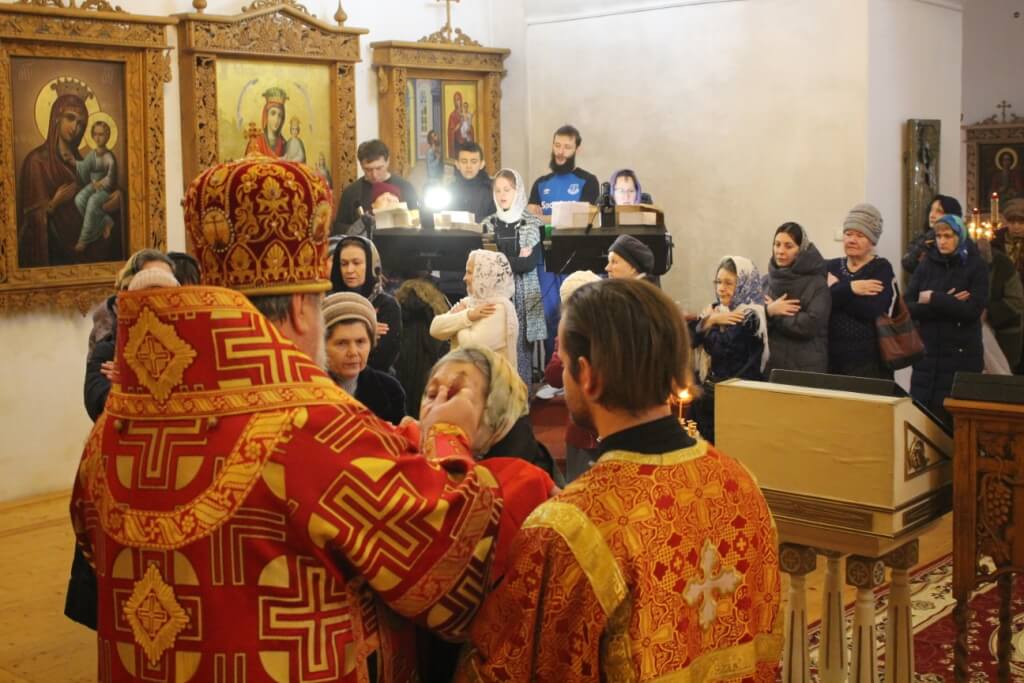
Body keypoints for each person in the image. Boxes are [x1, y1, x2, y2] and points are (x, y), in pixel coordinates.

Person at [70, 155, 555, 682]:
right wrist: (447, 437)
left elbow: (95, 551)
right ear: (305, 308)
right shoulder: (318, 424)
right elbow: (453, 569)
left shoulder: (119, 420)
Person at [456, 278, 782, 681]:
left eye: (565, 362)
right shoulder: (741, 484)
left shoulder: (572, 530)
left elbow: (505, 667)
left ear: (588, 375)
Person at [18, 79, 119, 266]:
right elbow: (29, 220)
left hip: (87, 252)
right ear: (56, 118)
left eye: (81, 123)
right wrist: (53, 204)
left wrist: (117, 198)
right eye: (70, 118)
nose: (75, 128)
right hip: (54, 255)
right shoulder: (36, 161)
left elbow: (98, 195)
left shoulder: (83, 163)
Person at [423, 346, 560, 480]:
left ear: (497, 405)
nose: (436, 408)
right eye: (432, 394)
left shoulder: (531, 482)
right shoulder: (415, 461)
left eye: (453, 395)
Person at [907, 214, 989, 424]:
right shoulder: (926, 264)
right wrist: (949, 302)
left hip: (961, 356)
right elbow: (908, 306)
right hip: (928, 356)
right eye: (938, 236)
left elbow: (972, 311)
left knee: (956, 424)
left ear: (960, 236)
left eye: (948, 236)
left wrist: (934, 298)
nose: (942, 241)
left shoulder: (976, 266)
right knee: (922, 421)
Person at [527, 125, 601, 357]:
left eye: (567, 147)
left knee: (575, 315)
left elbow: (585, 218)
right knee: (550, 316)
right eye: (557, 145)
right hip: (545, 261)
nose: (560, 152)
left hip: (576, 259)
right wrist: (563, 215)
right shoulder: (541, 183)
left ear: (577, 149)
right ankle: (554, 368)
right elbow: (530, 219)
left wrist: (547, 217)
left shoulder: (588, 181)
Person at [690, 255, 769, 443]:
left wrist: (709, 323)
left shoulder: (750, 316)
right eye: (718, 282)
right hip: (713, 392)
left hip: (739, 397)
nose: (721, 288)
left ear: (743, 284)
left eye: (728, 283)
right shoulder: (717, 310)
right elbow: (690, 339)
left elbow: (721, 348)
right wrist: (711, 320)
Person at [481, 168, 546, 385]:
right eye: (498, 190)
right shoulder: (487, 223)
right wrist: (513, 259)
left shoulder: (532, 223)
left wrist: (498, 259)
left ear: (517, 191)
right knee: (494, 355)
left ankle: (522, 400)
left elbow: (527, 264)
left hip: (524, 296)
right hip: (494, 296)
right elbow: (484, 264)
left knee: (521, 356)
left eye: (507, 189)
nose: (502, 195)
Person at [543, 270, 602, 481]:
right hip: (581, 433)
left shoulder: (613, 336)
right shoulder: (566, 333)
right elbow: (553, 376)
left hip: (609, 428)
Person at [826, 203, 895, 378]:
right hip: (831, 360)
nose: (851, 240)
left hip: (870, 362)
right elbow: (823, 302)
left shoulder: (881, 268)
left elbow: (870, 309)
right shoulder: (831, 266)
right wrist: (851, 288)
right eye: (848, 234)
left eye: (860, 235)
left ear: (872, 241)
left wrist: (836, 289)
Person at [323, 292, 406, 425]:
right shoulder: (305, 392)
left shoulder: (390, 390)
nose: (353, 352)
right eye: (342, 343)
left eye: (360, 342)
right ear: (323, 345)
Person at [430, 249, 519, 369]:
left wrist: (454, 325)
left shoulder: (499, 308)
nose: (464, 278)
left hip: (491, 380)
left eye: (469, 272)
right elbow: (435, 328)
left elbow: (470, 348)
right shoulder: (469, 303)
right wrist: (468, 316)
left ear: (485, 275)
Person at [764, 222, 831, 374]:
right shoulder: (765, 282)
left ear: (800, 249)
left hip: (806, 368)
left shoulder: (817, 284)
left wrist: (777, 315)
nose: (780, 251)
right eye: (777, 244)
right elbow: (754, 323)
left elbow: (810, 325)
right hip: (771, 367)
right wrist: (769, 311)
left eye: (788, 246)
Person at [329, 235, 402, 372]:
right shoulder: (328, 303)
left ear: (371, 266)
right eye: (344, 264)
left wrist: (337, 335)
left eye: (356, 263)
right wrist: (367, 332)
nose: (349, 270)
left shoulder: (387, 305)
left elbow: (382, 359)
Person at [331, 139, 418, 233]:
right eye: (368, 170)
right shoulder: (351, 193)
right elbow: (339, 229)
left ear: (388, 161)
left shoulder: (405, 188)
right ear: (361, 165)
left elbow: (417, 223)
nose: (374, 175)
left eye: (379, 168)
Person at [394, 277, 451, 415]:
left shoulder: (396, 312)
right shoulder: (437, 316)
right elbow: (441, 349)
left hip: (399, 376)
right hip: (429, 377)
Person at [73, 120, 117, 252]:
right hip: (93, 186)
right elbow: (84, 167)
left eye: (101, 134)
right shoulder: (92, 154)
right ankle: (105, 221)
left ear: (107, 136)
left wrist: (100, 183)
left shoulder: (109, 157)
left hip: (104, 190)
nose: (98, 138)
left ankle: (84, 239)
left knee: (92, 201)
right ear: (92, 136)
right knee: (79, 199)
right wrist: (73, 162)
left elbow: (110, 178)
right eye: (95, 134)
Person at [902, 194, 962, 274]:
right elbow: (907, 262)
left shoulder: (960, 243)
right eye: (931, 210)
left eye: (939, 211)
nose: (932, 215)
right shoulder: (925, 237)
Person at [450, 141, 496, 221]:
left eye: (474, 162)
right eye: (464, 161)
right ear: (457, 164)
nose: (469, 166)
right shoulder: (449, 190)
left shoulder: (492, 190)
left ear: (482, 164)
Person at [244, 87, 288, 158]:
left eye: (280, 115)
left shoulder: (285, 145)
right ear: (266, 115)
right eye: (273, 113)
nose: (277, 119)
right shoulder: (256, 142)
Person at [447, 91, 465, 158]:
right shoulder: (453, 115)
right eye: (456, 100)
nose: (458, 102)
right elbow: (452, 131)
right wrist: (459, 124)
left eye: (459, 99)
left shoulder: (464, 113)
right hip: (457, 142)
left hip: (465, 140)